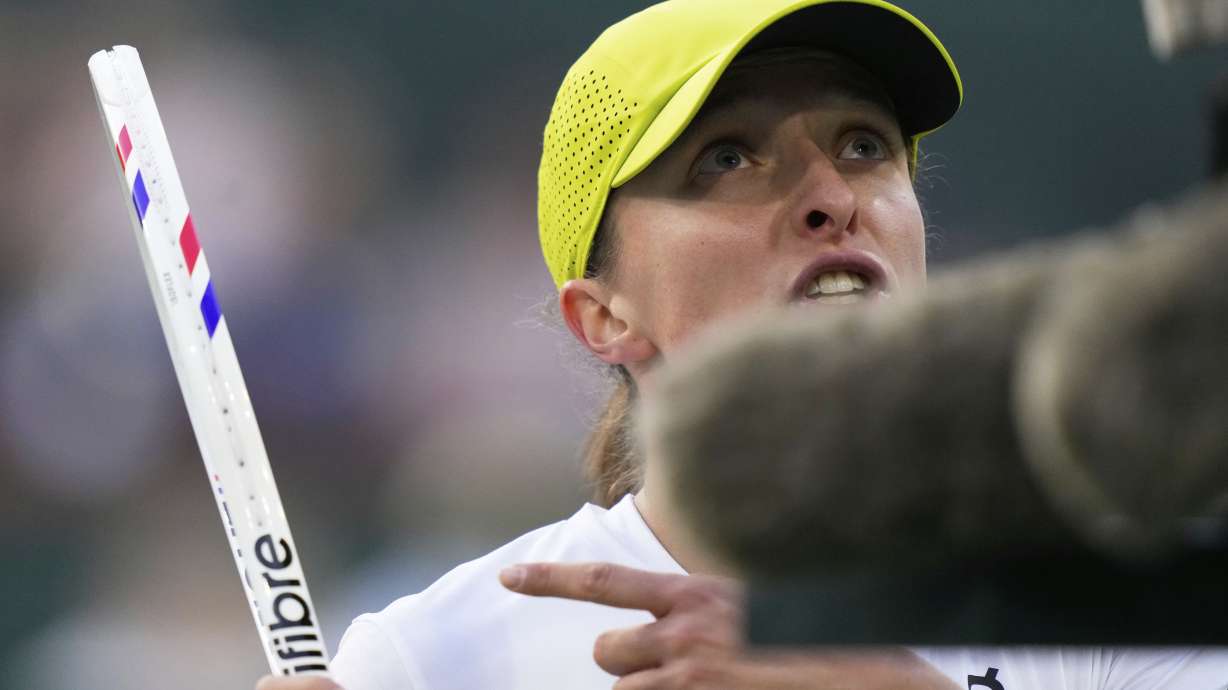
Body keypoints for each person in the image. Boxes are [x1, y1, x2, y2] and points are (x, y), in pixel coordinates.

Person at [256, 1, 1228, 688]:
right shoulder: (433, 663)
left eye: (863, 145)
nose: (831, 197)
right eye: (726, 158)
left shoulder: (1117, 587)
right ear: (603, 317)